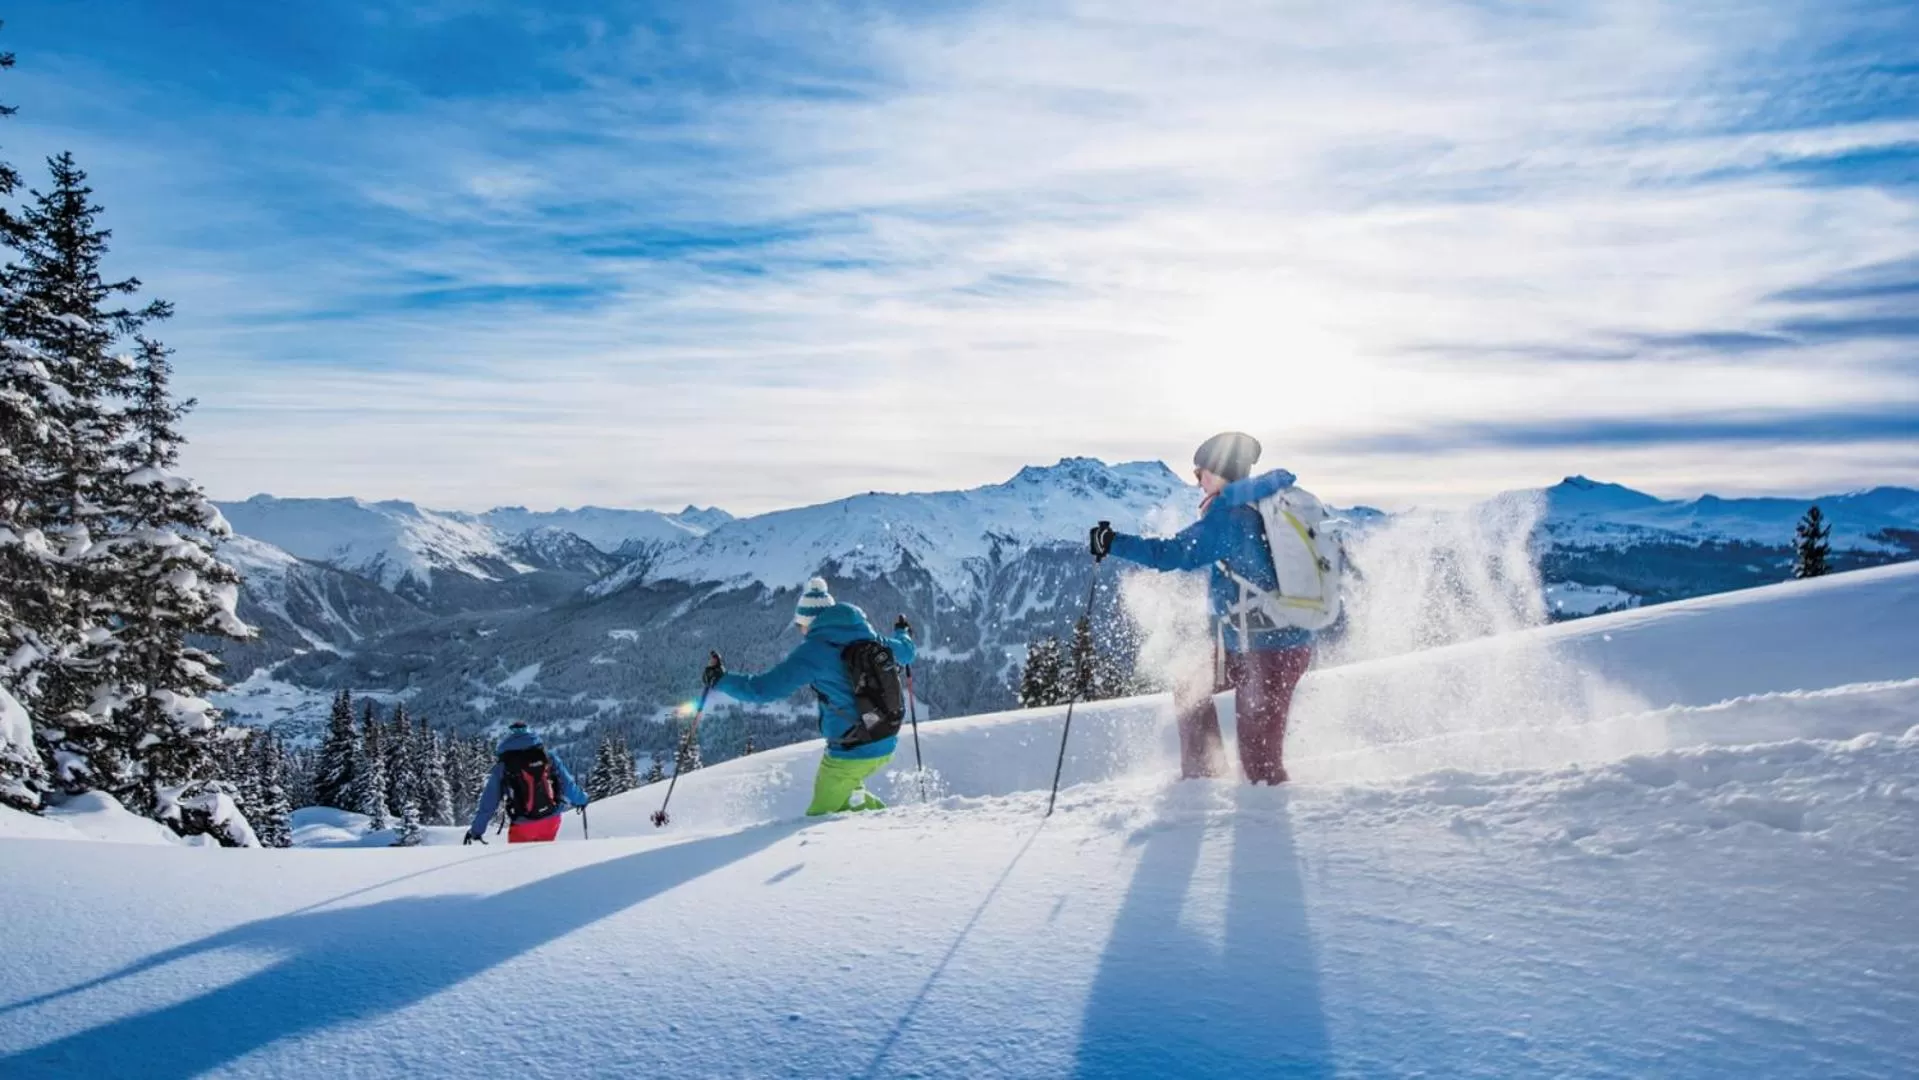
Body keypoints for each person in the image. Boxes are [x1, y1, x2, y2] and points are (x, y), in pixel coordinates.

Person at [1088, 431, 1314, 785]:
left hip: (1271, 650)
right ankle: (1203, 778)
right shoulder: (1261, 504)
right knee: (1190, 687)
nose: (1197, 482)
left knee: (1261, 770)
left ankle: (1268, 827)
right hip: (1250, 643)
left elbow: (1173, 553)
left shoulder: (1232, 516)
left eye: (1199, 474)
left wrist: (1112, 543)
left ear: (1219, 472)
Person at [702, 577, 917, 816]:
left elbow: (763, 689)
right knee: (851, 800)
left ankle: (893, 830)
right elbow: (906, 652)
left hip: (850, 751)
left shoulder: (814, 651)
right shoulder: (871, 638)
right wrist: (902, 632)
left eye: (800, 625)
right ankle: (889, 824)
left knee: (818, 819)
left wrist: (721, 679)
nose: (801, 631)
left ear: (809, 621)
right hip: (885, 739)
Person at [464, 720, 589, 844]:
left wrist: (476, 831)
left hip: (523, 824)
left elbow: (489, 802)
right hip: (551, 819)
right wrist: (582, 799)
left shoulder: (503, 765)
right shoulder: (548, 756)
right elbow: (568, 785)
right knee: (545, 858)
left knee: (520, 862)